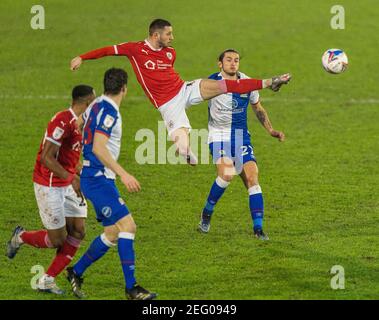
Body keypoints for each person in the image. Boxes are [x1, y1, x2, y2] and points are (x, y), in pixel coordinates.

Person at [70, 18, 291, 165]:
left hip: (184, 88)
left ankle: (269, 82)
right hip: (167, 103)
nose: (172, 38)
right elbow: (108, 50)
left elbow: (168, 74)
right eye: (168, 34)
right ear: (156, 35)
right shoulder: (135, 49)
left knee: (225, 85)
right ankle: (184, 150)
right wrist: (82, 57)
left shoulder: (170, 53)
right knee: (185, 143)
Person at [66, 68, 156, 300]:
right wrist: (124, 174)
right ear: (125, 88)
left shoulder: (95, 103)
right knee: (129, 226)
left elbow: (77, 124)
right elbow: (98, 146)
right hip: (98, 179)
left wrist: (78, 160)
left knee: (112, 232)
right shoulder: (109, 112)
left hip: (94, 177)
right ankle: (132, 288)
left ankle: (76, 271)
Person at [6, 85, 96, 294]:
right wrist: (70, 177)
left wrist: (85, 172)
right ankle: (20, 237)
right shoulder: (63, 121)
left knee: (79, 230)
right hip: (49, 185)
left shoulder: (81, 123)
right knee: (57, 240)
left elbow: (70, 156)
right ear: (85, 103)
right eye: (93, 101)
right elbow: (46, 158)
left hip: (67, 182)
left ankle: (46, 279)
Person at [198, 49, 286, 240]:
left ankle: (258, 229)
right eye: (228, 60)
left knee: (253, 178)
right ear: (219, 63)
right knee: (227, 174)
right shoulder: (210, 84)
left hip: (240, 137)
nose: (233, 63)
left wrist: (271, 130)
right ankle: (207, 212)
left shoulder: (247, 83)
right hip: (218, 135)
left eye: (236, 60)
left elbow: (258, 108)